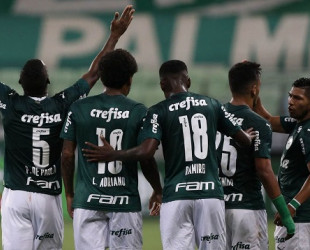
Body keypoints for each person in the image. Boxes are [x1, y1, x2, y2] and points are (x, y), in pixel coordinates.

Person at [0, 6, 134, 250]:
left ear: (20, 83)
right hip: (48, 197)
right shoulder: (62, 105)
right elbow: (94, 74)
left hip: (16, 195)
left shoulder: (10, 103)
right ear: (48, 82)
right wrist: (114, 36)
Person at [83, 59, 255, 250]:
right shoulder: (212, 104)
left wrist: (114, 154)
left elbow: (146, 151)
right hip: (210, 195)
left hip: (177, 196)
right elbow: (244, 141)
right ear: (188, 81)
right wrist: (247, 135)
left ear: (162, 84)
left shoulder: (157, 111)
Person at [60, 48, 162, 250]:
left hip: (88, 201)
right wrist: (157, 190)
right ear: (129, 80)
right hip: (124, 202)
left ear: (102, 78)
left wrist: (70, 194)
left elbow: (67, 154)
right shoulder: (138, 111)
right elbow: (146, 157)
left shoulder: (79, 108)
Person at [215, 61, 294, 249]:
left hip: (217, 209)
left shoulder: (215, 116)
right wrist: (285, 213)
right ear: (254, 88)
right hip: (247, 208)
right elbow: (264, 171)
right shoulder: (258, 123)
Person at [254, 77, 310, 250]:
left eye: (298, 98)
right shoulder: (297, 124)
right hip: (292, 217)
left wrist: (293, 206)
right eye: (290, 96)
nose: (291, 102)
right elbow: (266, 119)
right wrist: (253, 86)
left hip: (300, 220)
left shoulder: (308, 132)